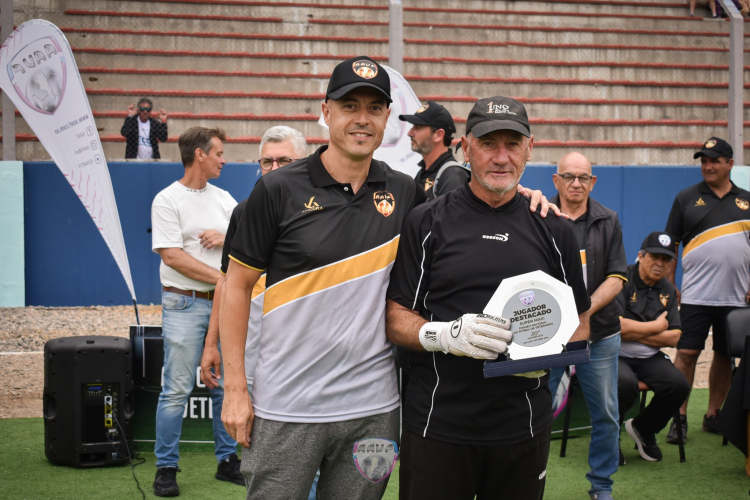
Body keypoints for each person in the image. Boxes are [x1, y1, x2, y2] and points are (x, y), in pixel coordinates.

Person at [218, 56, 556, 500]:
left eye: (374, 108)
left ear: (386, 119)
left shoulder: (404, 191)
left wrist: (520, 194)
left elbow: (472, 205)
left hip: (374, 411)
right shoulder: (278, 189)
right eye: (349, 106)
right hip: (288, 405)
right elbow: (236, 286)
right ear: (326, 111)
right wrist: (236, 389)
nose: (362, 119)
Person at [385, 95, 591, 500]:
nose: (501, 157)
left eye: (512, 144)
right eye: (488, 143)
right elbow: (395, 317)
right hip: (437, 424)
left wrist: (548, 357)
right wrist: (444, 336)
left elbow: (581, 323)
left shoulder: (555, 229)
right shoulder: (426, 221)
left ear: (529, 149)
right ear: (466, 148)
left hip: (522, 428)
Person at [198, 125, 318, 499]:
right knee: (267, 469)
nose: (274, 167)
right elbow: (226, 284)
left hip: (312, 361)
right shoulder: (245, 211)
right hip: (255, 362)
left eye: (285, 160)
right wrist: (211, 343)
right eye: (267, 161)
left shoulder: (327, 211)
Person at [151, 126, 242, 497]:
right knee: (176, 389)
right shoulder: (166, 200)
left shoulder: (225, 199)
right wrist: (223, 278)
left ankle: (228, 461)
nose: (224, 159)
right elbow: (171, 255)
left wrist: (226, 238)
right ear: (200, 155)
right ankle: (166, 468)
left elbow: (246, 244)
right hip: (184, 303)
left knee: (225, 387)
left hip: (226, 306)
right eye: (218, 152)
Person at [549, 152, 628, 500]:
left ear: (593, 182)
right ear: (556, 181)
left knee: (607, 415)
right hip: (548, 337)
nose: (576, 183)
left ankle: (601, 486)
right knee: (534, 410)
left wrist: (583, 312)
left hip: (600, 335)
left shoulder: (608, 220)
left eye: (583, 177)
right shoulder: (539, 216)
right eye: (569, 176)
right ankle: (522, 479)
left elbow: (617, 277)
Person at [664, 137, 750, 445]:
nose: (708, 166)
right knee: (686, 354)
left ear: (730, 164)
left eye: (714, 161)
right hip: (696, 296)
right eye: (703, 161)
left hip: (738, 299)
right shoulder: (685, 198)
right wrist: (671, 283)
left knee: (725, 356)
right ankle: (679, 418)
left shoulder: (747, 200)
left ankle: (713, 415)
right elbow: (671, 243)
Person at [616, 232, 689, 463]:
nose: (660, 264)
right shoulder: (621, 280)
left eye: (666, 260)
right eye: (654, 257)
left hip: (649, 358)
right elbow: (616, 327)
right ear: (640, 256)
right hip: (616, 353)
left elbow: (674, 337)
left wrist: (635, 333)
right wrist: (656, 327)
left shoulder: (667, 288)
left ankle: (643, 428)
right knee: (624, 384)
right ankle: (609, 437)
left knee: (679, 385)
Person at [398, 101, 469, 200]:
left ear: (438, 135)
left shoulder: (452, 176)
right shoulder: (424, 172)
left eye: (417, 127)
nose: (410, 133)